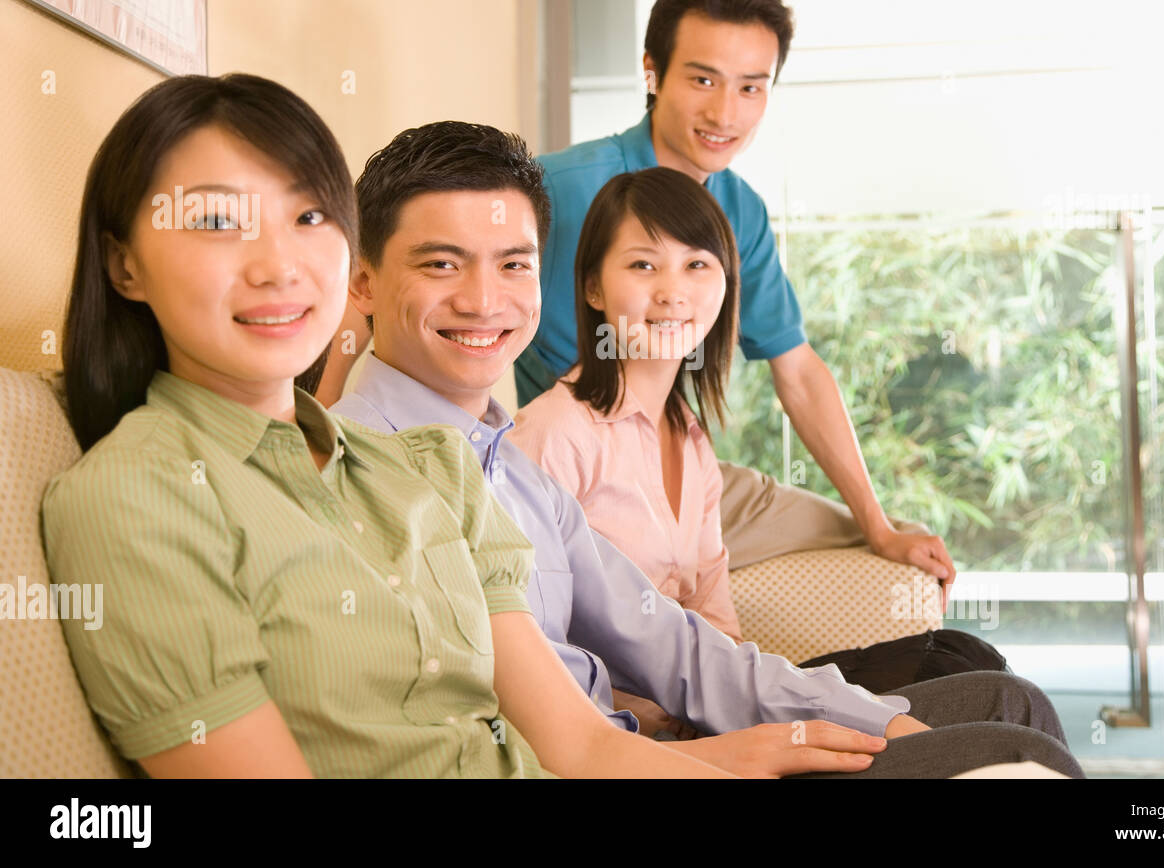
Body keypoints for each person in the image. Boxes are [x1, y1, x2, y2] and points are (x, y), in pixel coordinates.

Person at [330, 120, 1083, 778]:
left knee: (1005, 701)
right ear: (362, 280)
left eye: (513, 264)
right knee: (1016, 752)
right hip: (642, 764)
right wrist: (708, 755)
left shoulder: (512, 465)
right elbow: (508, 740)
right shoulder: (373, 473)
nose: (484, 299)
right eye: (440, 263)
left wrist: (870, 719)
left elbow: (674, 640)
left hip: (656, 747)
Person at [39, 73, 733, 779]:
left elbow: (585, 748)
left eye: (309, 218)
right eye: (218, 222)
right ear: (124, 264)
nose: (279, 266)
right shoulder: (135, 497)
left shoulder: (436, 464)